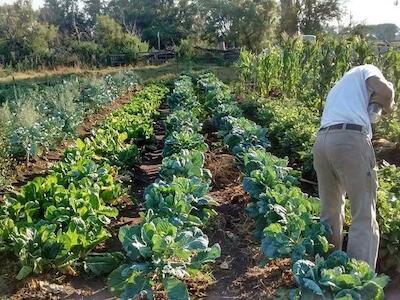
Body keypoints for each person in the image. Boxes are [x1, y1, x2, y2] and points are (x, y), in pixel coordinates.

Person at [313, 64, 395, 270]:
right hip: (349, 140)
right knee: (363, 213)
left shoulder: (339, 86)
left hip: (322, 141)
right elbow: (385, 90)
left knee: (330, 211)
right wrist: (389, 103)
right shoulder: (367, 69)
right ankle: (357, 281)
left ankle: (328, 271)